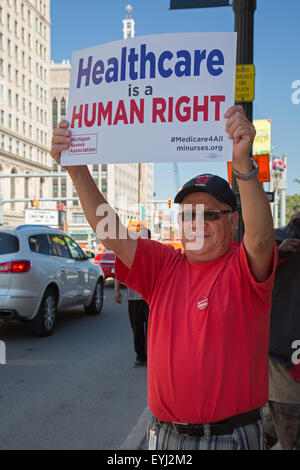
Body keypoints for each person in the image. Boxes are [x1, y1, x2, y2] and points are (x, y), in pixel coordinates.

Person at [50, 105, 276, 450]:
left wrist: (244, 165)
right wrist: (77, 171)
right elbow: (111, 233)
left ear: (233, 222)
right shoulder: (164, 264)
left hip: (230, 439)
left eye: (210, 214)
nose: (197, 223)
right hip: (165, 438)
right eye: (188, 214)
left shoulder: (243, 266)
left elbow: (260, 239)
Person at [263, 211, 300, 450]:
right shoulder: (276, 241)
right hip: (286, 358)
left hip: (283, 355)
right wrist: (278, 252)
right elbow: (249, 267)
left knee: (274, 422)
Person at [114, 227, 151, 368]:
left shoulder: (154, 253)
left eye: (144, 237)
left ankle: (152, 358)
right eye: (139, 237)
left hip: (150, 299)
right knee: (137, 329)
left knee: (151, 330)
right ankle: (140, 356)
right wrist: (116, 291)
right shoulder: (129, 252)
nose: (141, 240)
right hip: (133, 299)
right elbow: (119, 272)